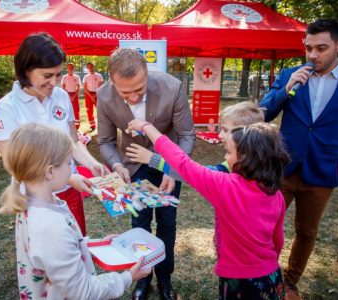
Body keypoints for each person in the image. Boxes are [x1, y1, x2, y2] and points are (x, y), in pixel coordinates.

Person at [128, 120, 290, 300]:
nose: (226, 158)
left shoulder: (225, 186)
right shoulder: (276, 196)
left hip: (240, 282)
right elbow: (278, 241)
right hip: (272, 276)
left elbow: (183, 163)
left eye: (229, 152)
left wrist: (147, 127)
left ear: (245, 158)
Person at [0, 123, 150, 299]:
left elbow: (58, 251)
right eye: (68, 163)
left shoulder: (31, 200)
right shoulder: (50, 227)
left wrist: (93, 245)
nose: (71, 169)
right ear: (49, 172)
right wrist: (127, 277)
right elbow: (83, 292)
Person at [97, 48, 195, 300]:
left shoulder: (172, 87)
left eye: (138, 89)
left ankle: (165, 277)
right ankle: (142, 279)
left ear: (147, 75)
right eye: (124, 91)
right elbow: (106, 141)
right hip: (131, 166)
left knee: (167, 223)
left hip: (168, 163)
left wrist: (173, 169)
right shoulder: (103, 95)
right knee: (138, 224)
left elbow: (186, 135)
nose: (132, 97)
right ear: (111, 81)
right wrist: (116, 165)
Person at [0, 33, 107, 237]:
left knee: (77, 245)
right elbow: (13, 163)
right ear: (26, 70)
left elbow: (73, 141)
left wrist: (91, 164)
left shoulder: (61, 97)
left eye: (58, 75)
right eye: (47, 76)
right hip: (35, 199)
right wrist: (69, 178)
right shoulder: (8, 106)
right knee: (46, 259)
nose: (54, 82)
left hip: (69, 192)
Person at [259, 19, 338, 300]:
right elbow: (263, 113)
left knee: (306, 232)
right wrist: (286, 89)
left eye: (321, 48)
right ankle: (264, 275)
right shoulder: (290, 73)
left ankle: (290, 282)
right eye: (308, 48)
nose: (313, 55)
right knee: (267, 226)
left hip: (323, 170)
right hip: (283, 167)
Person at [126, 101, 265, 181]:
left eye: (226, 130)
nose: (220, 135)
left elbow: (190, 172)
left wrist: (151, 157)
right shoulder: (266, 175)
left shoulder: (228, 181)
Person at [83, 62, 104, 131]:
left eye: (91, 66)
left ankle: (102, 124)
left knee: (100, 110)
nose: (90, 68)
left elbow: (101, 86)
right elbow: (85, 89)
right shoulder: (86, 77)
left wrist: (95, 95)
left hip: (97, 94)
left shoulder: (99, 76)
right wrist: (91, 96)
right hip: (88, 94)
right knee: (89, 110)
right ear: (87, 68)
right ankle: (92, 125)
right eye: (88, 67)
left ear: (93, 66)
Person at [61, 63, 81, 129]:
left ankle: (77, 126)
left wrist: (74, 96)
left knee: (76, 110)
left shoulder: (77, 77)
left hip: (75, 95)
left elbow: (78, 87)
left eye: (72, 67)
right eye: (69, 67)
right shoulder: (64, 77)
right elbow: (63, 87)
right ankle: (67, 125)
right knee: (66, 110)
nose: (71, 68)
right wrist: (69, 96)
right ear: (67, 68)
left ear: (73, 68)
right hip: (67, 95)